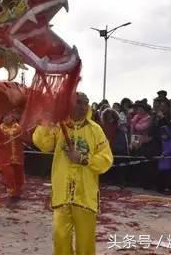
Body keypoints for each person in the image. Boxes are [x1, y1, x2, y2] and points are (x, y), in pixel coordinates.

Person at [32, 92, 113, 255]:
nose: (83, 107)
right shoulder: (58, 127)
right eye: (79, 102)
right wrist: (47, 121)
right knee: (60, 237)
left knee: (85, 242)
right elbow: (42, 144)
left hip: (85, 196)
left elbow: (106, 158)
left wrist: (83, 159)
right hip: (62, 194)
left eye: (86, 103)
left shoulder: (95, 130)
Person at [0, 113, 25, 200]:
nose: (6, 118)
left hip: (18, 157)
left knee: (19, 176)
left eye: (8, 116)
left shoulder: (18, 127)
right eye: (5, 116)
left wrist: (25, 134)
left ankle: (17, 193)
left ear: (12, 117)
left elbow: (26, 139)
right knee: (9, 175)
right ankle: (12, 193)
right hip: (6, 158)